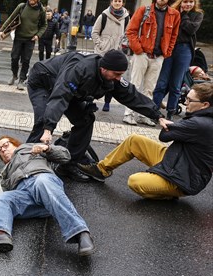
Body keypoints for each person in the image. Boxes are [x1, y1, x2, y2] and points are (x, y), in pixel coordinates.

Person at [26, 49, 165, 182]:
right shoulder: (81, 69)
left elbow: (132, 96)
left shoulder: (113, 77)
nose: (118, 78)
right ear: (103, 68)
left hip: (69, 89)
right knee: (43, 121)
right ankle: (24, 163)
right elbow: (60, 96)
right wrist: (48, 129)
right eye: (116, 74)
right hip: (43, 81)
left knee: (85, 119)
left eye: (121, 74)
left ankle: (68, 164)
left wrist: (158, 116)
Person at [79, 83, 213, 199]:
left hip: (182, 179)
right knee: (134, 141)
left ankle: (169, 193)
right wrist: (174, 126)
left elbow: (165, 136)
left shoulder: (199, 123)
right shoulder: (203, 119)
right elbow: (174, 131)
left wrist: (172, 125)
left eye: (190, 100)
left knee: (135, 182)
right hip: (175, 159)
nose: (185, 103)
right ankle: (101, 169)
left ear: (204, 105)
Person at [0, 136, 95, 255]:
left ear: (15, 144)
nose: (3, 150)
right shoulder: (6, 172)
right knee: (0, 199)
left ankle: (80, 233)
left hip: (44, 185)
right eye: (0, 150)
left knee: (42, 182)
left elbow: (65, 156)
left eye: (6, 145)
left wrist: (47, 149)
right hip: (26, 197)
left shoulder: (30, 148)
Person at [123, 0, 180, 126]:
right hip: (142, 53)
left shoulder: (174, 15)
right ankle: (128, 114)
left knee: (150, 88)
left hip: (158, 56)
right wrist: (138, 50)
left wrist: (166, 52)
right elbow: (131, 31)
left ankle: (143, 115)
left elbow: (174, 35)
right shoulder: (145, 10)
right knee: (135, 85)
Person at [152, 0, 204, 120]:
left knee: (176, 83)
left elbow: (191, 29)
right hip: (170, 47)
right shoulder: (173, 13)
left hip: (185, 49)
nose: (188, 4)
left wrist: (184, 15)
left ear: (194, 2)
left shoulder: (197, 15)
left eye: (191, 2)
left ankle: (170, 112)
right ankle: (154, 110)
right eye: (185, 1)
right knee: (162, 82)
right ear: (181, 2)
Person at [0, 0, 46, 90]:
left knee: (26, 60)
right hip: (19, 37)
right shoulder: (22, 6)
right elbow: (11, 18)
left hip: (30, 39)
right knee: (14, 58)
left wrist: (38, 35)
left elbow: (44, 25)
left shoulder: (41, 10)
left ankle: (21, 80)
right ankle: (14, 75)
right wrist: (2, 30)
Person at [92, 0, 131, 111]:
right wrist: (101, 44)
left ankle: (107, 102)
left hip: (116, 53)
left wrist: (122, 46)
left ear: (123, 3)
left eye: (120, 1)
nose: (117, 3)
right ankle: (90, 101)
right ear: (111, 2)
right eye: (115, 1)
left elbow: (127, 33)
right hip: (102, 52)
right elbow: (94, 32)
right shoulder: (103, 16)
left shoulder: (127, 17)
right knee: (96, 77)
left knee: (112, 79)